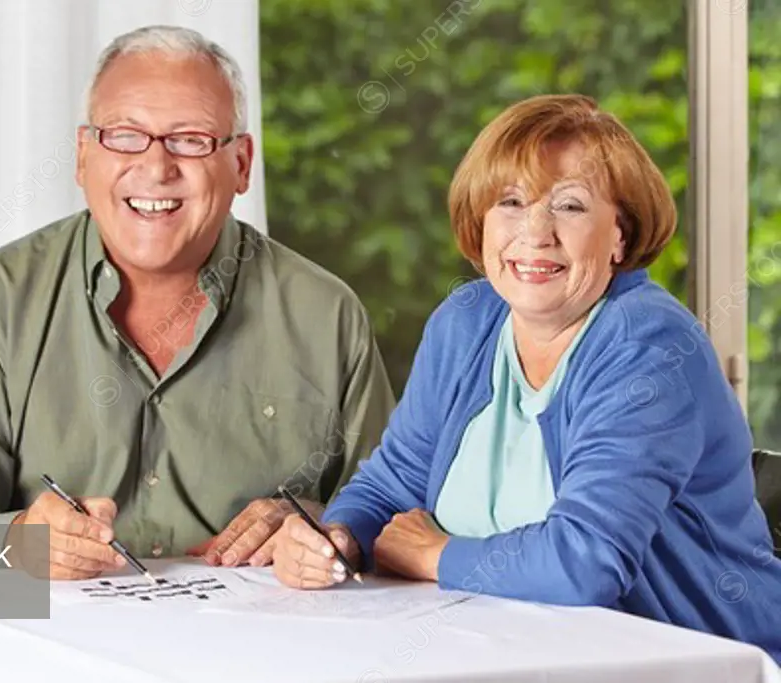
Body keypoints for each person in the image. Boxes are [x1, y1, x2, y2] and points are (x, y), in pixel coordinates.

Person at [272, 94, 781, 662]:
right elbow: (391, 487)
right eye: (510, 202)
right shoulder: (465, 323)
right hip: (510, 654)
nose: (535, 233)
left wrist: (433, 556)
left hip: (696, 664)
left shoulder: (648, 346)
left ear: (620, 235)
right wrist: (336, 539)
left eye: (569, 206)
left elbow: (587, 562)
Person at [0, 25, 395, 580]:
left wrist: (324, 527)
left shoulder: (327, 316)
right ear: (84, 156)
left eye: (191, 139)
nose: (156, 168)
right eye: (125, 136)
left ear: (243, 163)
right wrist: (18, 542)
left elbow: (393, 520)